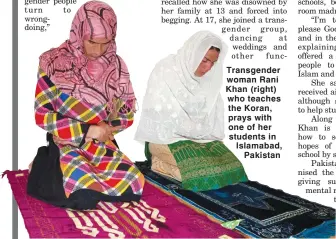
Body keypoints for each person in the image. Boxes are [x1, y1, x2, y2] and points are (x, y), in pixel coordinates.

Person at [27, 0, 145, 210]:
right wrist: (87, 130)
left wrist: (108, 128)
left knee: (133, 183)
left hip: (101, 143)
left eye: (106, 42)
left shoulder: (117, 66)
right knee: (82, 191)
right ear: (79, 32)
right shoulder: (53, 62)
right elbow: (42, 114)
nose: (98, 50)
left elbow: (126, 111)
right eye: (92, 41)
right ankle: (44, 163)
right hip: (66, 142)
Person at [134, 31, 248, 192]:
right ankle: (158, 164)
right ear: (194, 53)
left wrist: (201, 134)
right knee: (202, 174)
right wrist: (192, 129)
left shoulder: (209, 81)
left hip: (199, 138)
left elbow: (212, 119)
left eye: (213, 63)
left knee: (233, 168)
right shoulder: (166, 70)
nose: (208, 67)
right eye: (205, 60)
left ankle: (170, 165)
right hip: (164, 138)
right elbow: (158, 116)